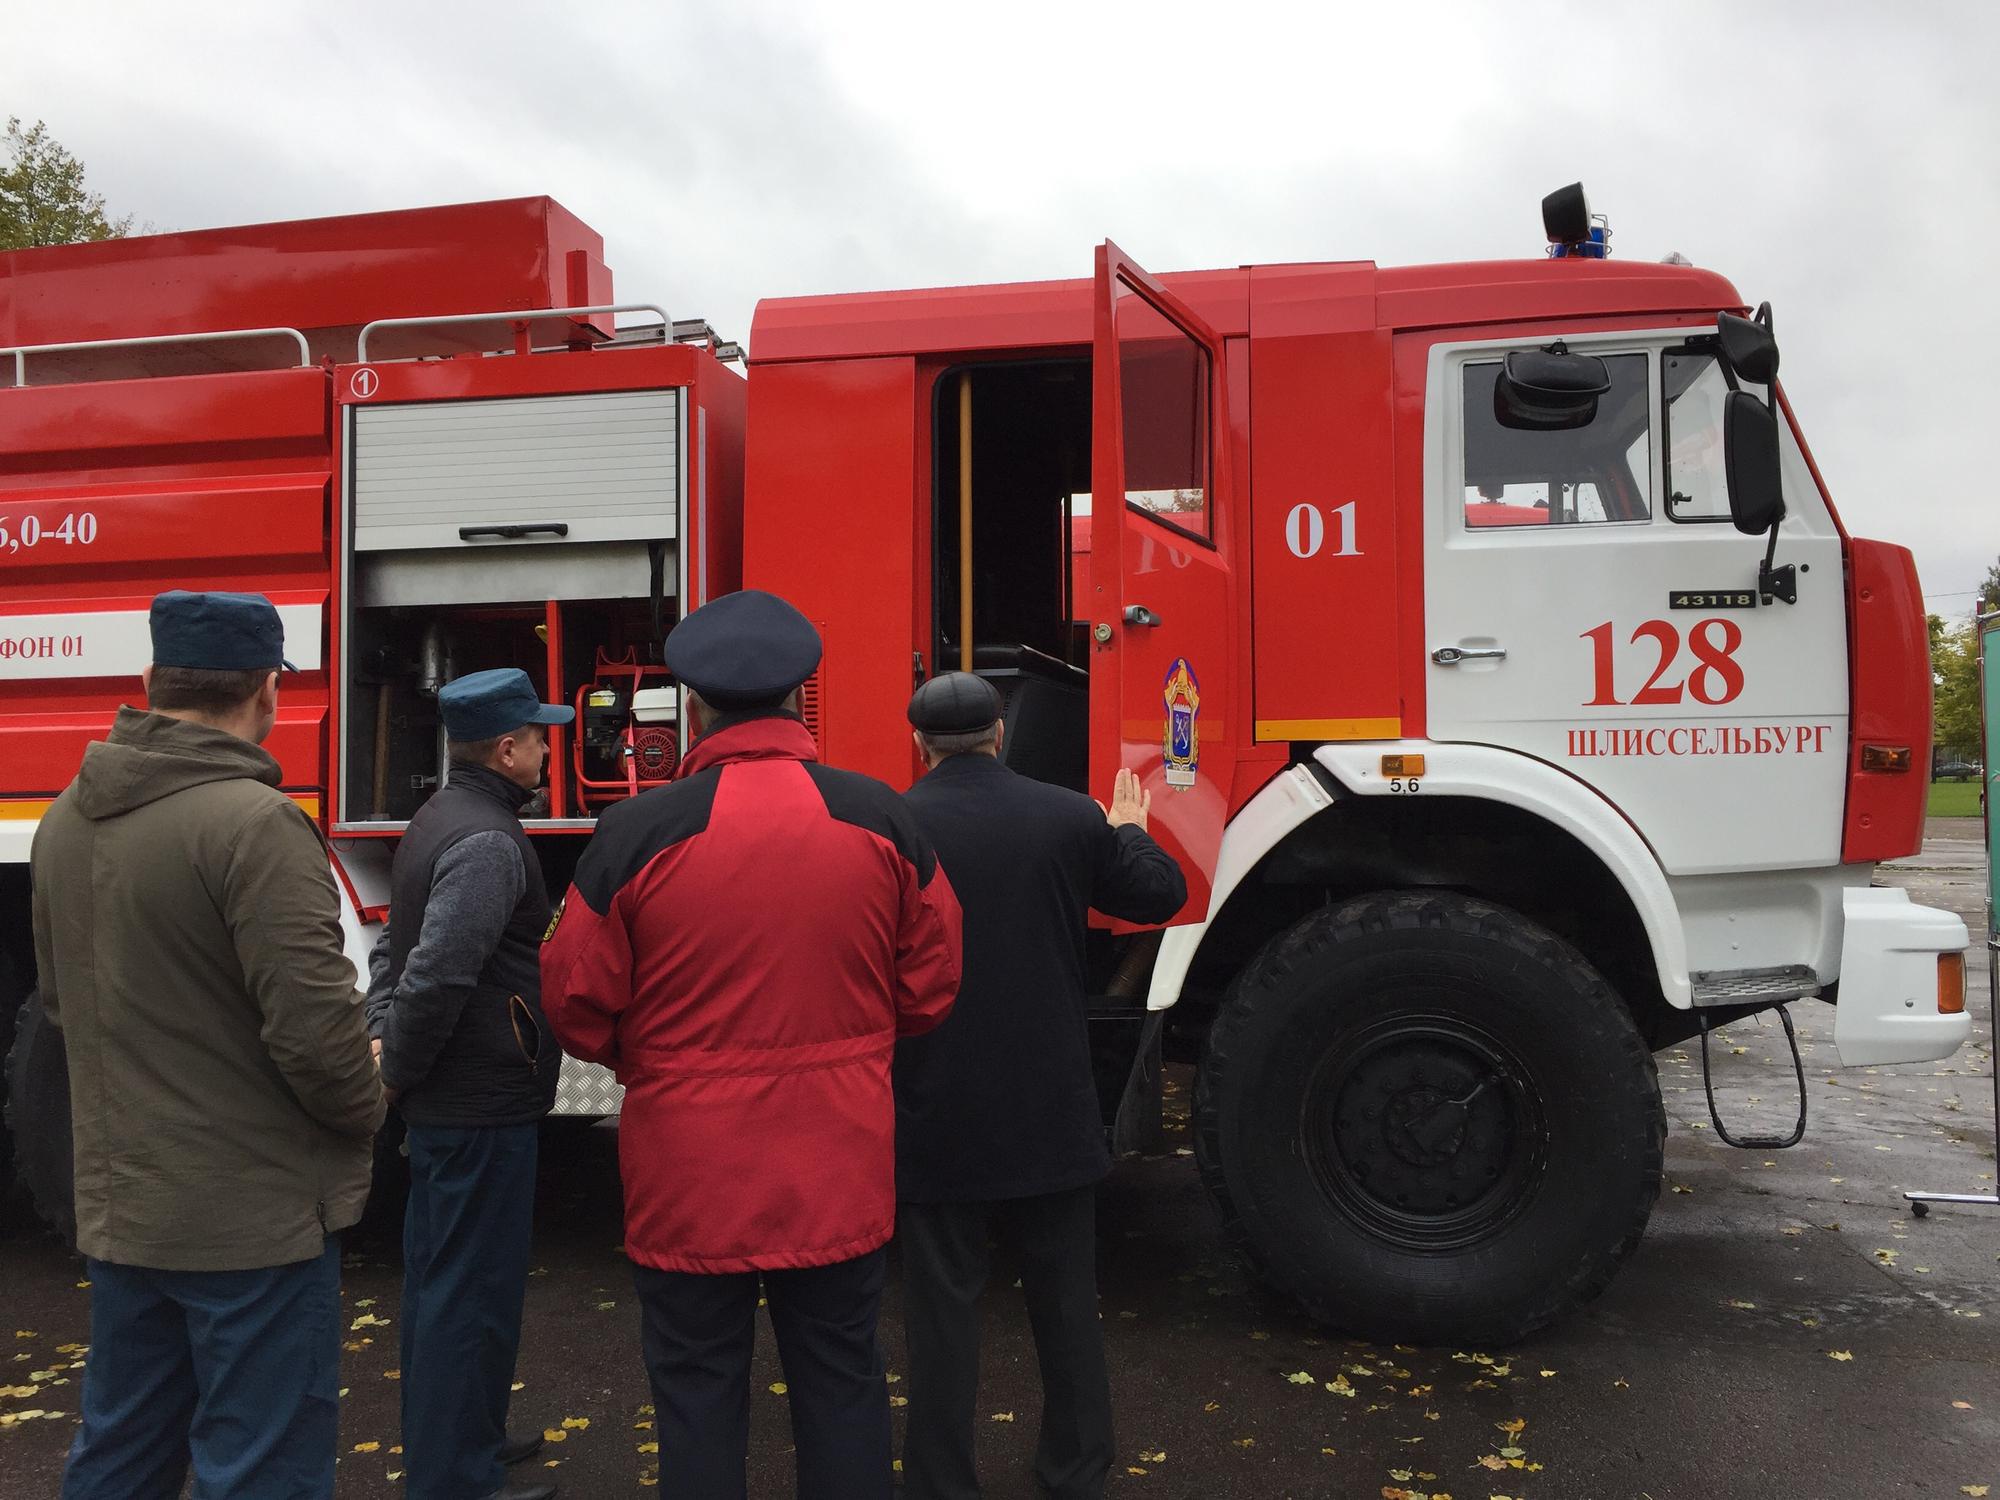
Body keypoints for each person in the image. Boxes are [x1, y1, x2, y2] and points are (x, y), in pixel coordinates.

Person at [542, 589, 963, 1500]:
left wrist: (650, 1062)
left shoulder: (636, 833)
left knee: (696, 1393)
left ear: (694, 705)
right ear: (798, 694)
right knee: (844, 1380)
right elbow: (931, 982)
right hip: (837, 1162)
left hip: (689, 1171)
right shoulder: (883, 818)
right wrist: (853, 1046)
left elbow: (575, 999)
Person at [30, 589, 385, 1500]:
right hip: (252, 1225)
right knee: (263, 1466)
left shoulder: (67, 817)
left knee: (120, 1453)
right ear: (267, 692)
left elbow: (66, 1010)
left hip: (127, 1208)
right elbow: (318, 1040)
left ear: (148, 681)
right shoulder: (255, 825)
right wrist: (367, 1103)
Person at [894, 672, 1187, 1500]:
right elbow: (1160, 895)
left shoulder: (891, 826)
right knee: (1064, 1305)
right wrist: (1128, 830)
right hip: (1049, 1104)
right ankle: (1075, 1472)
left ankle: (941, 1482)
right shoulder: (1067, 816)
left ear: (920, 744)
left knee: (940, 1313)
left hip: (932, 1101)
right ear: (998, 733)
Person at [365, 666, 571, 1500]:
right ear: (508, 747)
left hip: (460, 1096)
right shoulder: (487, 840)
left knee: (446, 1284)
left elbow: (393, 948)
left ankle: (466, 1437)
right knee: (466, 1292)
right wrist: (396, 1071)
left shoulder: (439, 818)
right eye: (540, 737)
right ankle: (455, 1477)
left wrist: (386, 1044)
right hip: (477, 1102)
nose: (551, 751)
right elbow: (440, 974)